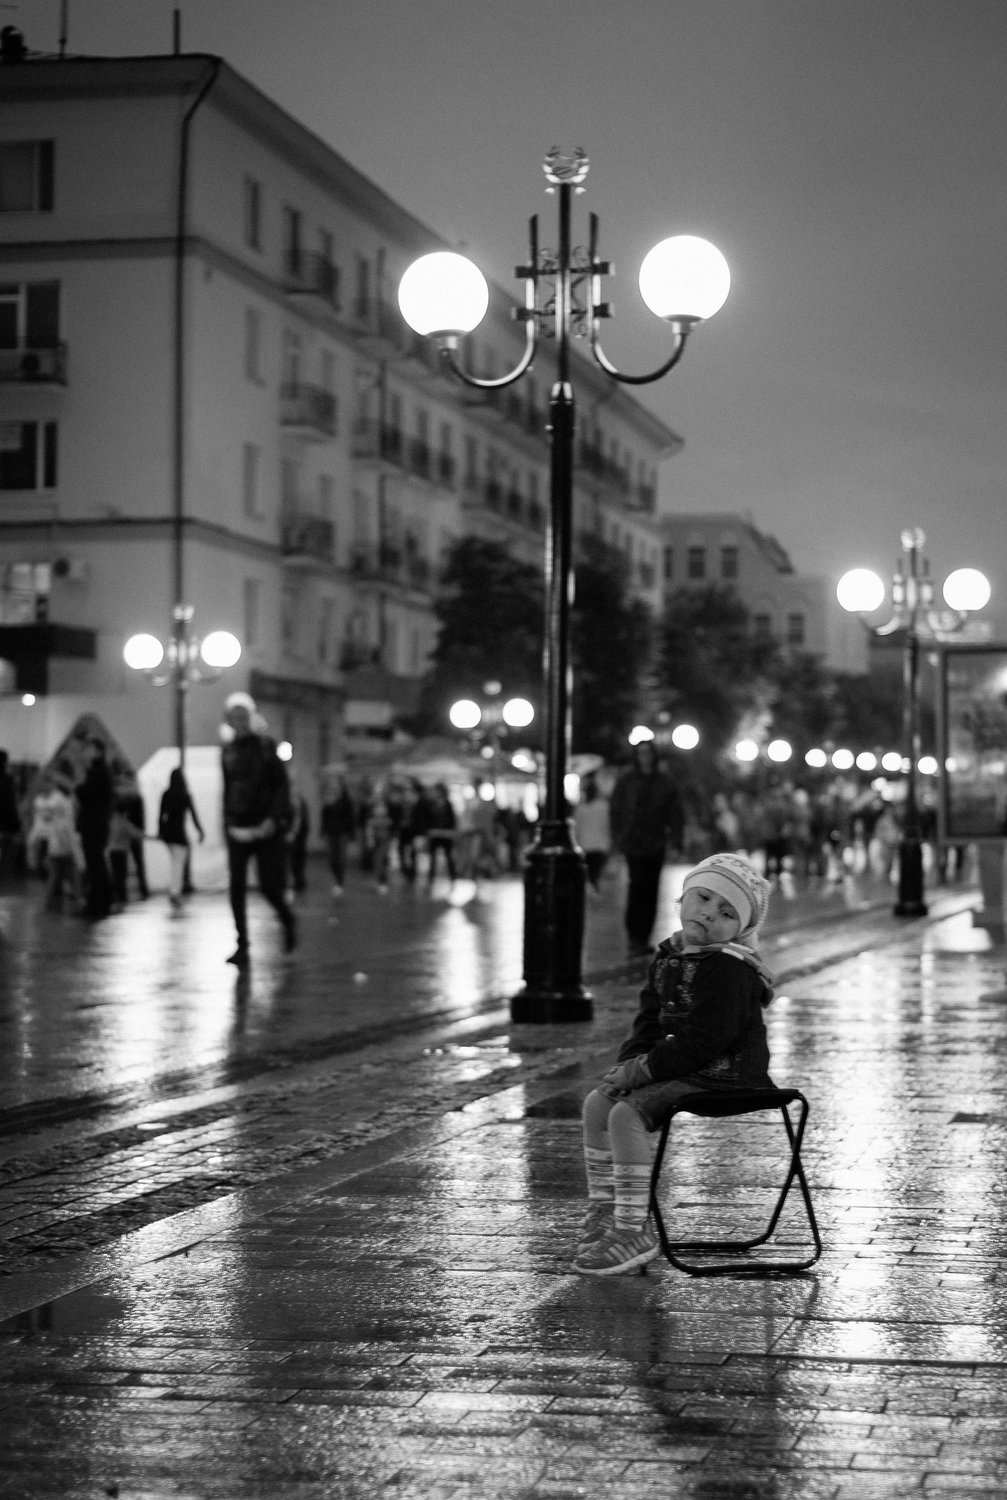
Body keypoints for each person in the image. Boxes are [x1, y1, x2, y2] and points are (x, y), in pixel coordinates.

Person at [572, 852, 774, 1277]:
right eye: (703, 898)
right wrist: (629, 1066)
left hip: (726, 1072)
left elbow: (706, 1040)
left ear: (740, 930)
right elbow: (648, 1022)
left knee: (626, 1115)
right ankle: (606, 1210)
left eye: (726, 913)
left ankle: (632, 1229)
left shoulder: (730, 968)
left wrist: (643, 1072)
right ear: (683, 899)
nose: (709, 913)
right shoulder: (670, 956)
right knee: (599, 1102)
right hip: (683, 1065)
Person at [221, 692, 296, 965]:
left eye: (243, 716)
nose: (239, 722)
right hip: (237, 826)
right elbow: (227, 788)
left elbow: (281, 785)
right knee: (236, 887)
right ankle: (242, 944)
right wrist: (226, 821)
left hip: (265, 827)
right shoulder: (227, 750)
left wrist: (273, 819)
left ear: (250, 718)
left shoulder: (265, 746)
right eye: (235, 717)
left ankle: (287, 920)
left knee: (269, 886)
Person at [609, 740, 684, 953]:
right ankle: (634, 936)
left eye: (648, 752)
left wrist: (676, 842)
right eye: (641, 753)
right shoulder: (627, 781)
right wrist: (619, 836)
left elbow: (675, 813)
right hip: (632, 842)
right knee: (637, 887)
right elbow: (616, 809)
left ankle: (643, 936)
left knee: (651, 889)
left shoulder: (665, 781)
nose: (645, 757)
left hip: (655, 842)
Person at [76, 737, 114, 919]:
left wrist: (79, 785)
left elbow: (84, 793)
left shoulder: (97, 772)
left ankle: (97, 904)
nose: (86, 752)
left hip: (93, 824)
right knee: (97, 863)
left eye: (89, 749)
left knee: (94, 864)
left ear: (97, 751)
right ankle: (101, 902)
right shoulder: (102, 771)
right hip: (98, 824)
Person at [158, 767, 204, 907]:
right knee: (178, 864)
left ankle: (174, 890)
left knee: (175, 862)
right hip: (179, 834)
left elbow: (161, 815)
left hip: (168, 834)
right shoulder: (185, 795)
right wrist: (200, 830)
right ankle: (175, 892)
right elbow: (194, 815)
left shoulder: (166, 794)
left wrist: (161, 830)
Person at [572, 774, 611, 893]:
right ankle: (594, 890)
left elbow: (576, 828)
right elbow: (608, 825)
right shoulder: (604, 807)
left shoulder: (581, 808)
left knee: (589, 872)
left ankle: (592, 890)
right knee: (595, 872)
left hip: (585, 844)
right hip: (600, 845)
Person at [107, 793, 147, 909]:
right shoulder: (124, 823)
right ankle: (121, 896)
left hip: (112, 851)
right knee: (121, 875)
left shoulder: (112, 821)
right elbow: (136, 834)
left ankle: (114, 895)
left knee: (115, 874)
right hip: (121, 852)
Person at [320, 772, 356, 897]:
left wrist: (351, 832)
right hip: (330, 832)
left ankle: (339, 882)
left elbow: (351, 818)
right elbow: (324, 816)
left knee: (340, 857)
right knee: (331, 858)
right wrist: (323, 830)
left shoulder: (346, 800)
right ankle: (336, 878)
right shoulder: (329, 798)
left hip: (342, 833)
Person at [119, 773, 150, 899]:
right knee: (136, 861)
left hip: (129, 833)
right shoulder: (135, 798)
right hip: (132, 832)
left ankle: (129, 890)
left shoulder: (128, 799)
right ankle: (142, 889)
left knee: (129, 861)